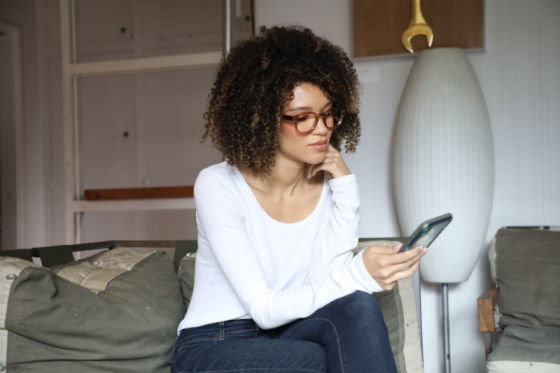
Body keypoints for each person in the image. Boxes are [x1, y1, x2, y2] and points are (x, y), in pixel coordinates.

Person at [171, 25, 426, 373]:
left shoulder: (326, 187)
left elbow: (329, 286)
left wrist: (346, 189)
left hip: (287, 331)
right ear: (259, 119)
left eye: (327, 113)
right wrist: (360, 271)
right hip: (216, 342)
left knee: (358, 305)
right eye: (303, 118)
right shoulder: (217, 185)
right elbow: (263, 307)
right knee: (317, 358)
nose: (321, 128)